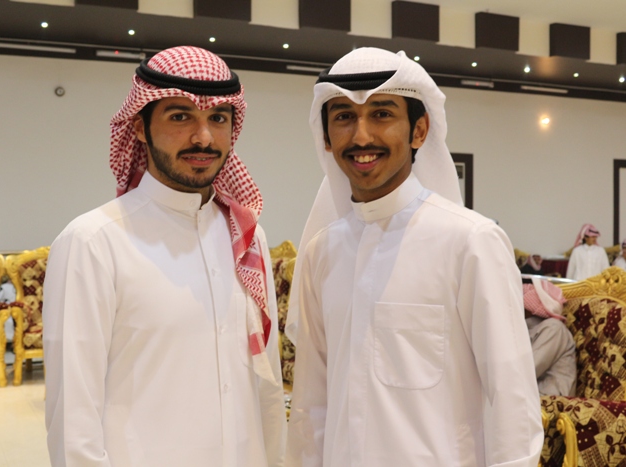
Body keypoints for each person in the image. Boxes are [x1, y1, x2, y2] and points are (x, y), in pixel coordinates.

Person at [284, 47, 542, 467]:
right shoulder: (321, 252)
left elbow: (514, 406)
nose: (361, 136)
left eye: (381, 114)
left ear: (419, 130)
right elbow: (311, 408)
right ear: (327, 139)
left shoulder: (471, 243)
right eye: (344, 116)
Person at [43, 46, 286, 467]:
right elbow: (73, 418)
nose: (203, 137)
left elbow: (267, 380)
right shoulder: (93, 242)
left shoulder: (248, 237)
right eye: (180, 117)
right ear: (139, 127)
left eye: (218, 118)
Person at [523, 278, 576, 396]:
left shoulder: (553, 328)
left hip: (553, 399)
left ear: (530, 307)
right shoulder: (528, 328)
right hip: (532, 396)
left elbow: (527, 371)